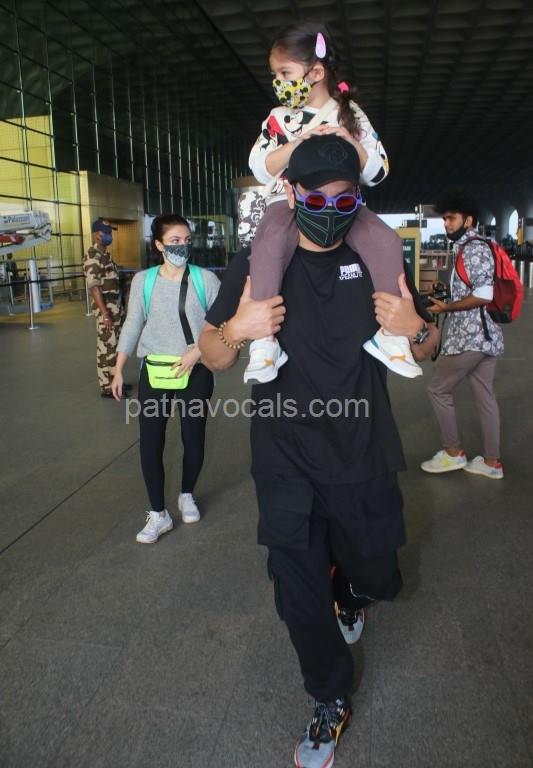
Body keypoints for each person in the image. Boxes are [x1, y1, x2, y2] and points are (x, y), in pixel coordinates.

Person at [199, 136, 436, 768]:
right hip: (284, 458)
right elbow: (214, 353)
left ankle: (353, 592)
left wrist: (415, 328)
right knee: (297, 593)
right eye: (316, 197)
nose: (330, 210)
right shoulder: (257, 264)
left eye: (344, 198)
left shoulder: (375, 258)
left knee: (380, 577)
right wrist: (237, 329)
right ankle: (329, 693)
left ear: (358, 198)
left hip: (362, 449)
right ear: (290, 193)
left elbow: (428, 344)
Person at [244, 22, 422, 384]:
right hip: (288, 204)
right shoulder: (278, 119)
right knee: (269, 243)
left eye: (285, 73)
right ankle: (264, 342)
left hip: (343, 207)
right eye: (274, 75)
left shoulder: (349, 113)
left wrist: (350, 141)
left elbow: (378, 171)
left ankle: (391, 334)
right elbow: (259, 167)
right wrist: (298, 144)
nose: (278, 82)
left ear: (316, 73)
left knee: (386, 241)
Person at [111, 214, 220, 543]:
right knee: (151, 442)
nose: (182, 246)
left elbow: (223, 325)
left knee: (193, 438)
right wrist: (118, 367)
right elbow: (133, 322)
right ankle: (158, 514)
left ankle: (187, 494)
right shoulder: (143, 281)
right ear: (158, 245)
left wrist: (197, 352)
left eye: (186, 240)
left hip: (195, 368)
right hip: (155, 369)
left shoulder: (205, 280)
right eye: (174, 241)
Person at [421, 189, 504, 479]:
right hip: (485, 337)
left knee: (438, 390)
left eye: (451, 218)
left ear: (468, 220)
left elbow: (483, 294)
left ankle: (453, 452)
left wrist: (448, 307)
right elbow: (473, 287)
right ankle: (491, 463)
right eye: (444, 219)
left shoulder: (474, 248)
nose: (446, 224)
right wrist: (446, 291)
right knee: (485, 397)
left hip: (470, 337)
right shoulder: (468, 247)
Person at [83, 218, 125, 398]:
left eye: (109, 232)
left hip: (114, 307)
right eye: (105, 232)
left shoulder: (105, 254)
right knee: (106, 347)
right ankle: (107, 387)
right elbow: (94, 287)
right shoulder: (93, 256)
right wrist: (105, 313)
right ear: (95, 234)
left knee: (116, 346)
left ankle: (116, 379)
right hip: (106, 309)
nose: (108, 235)